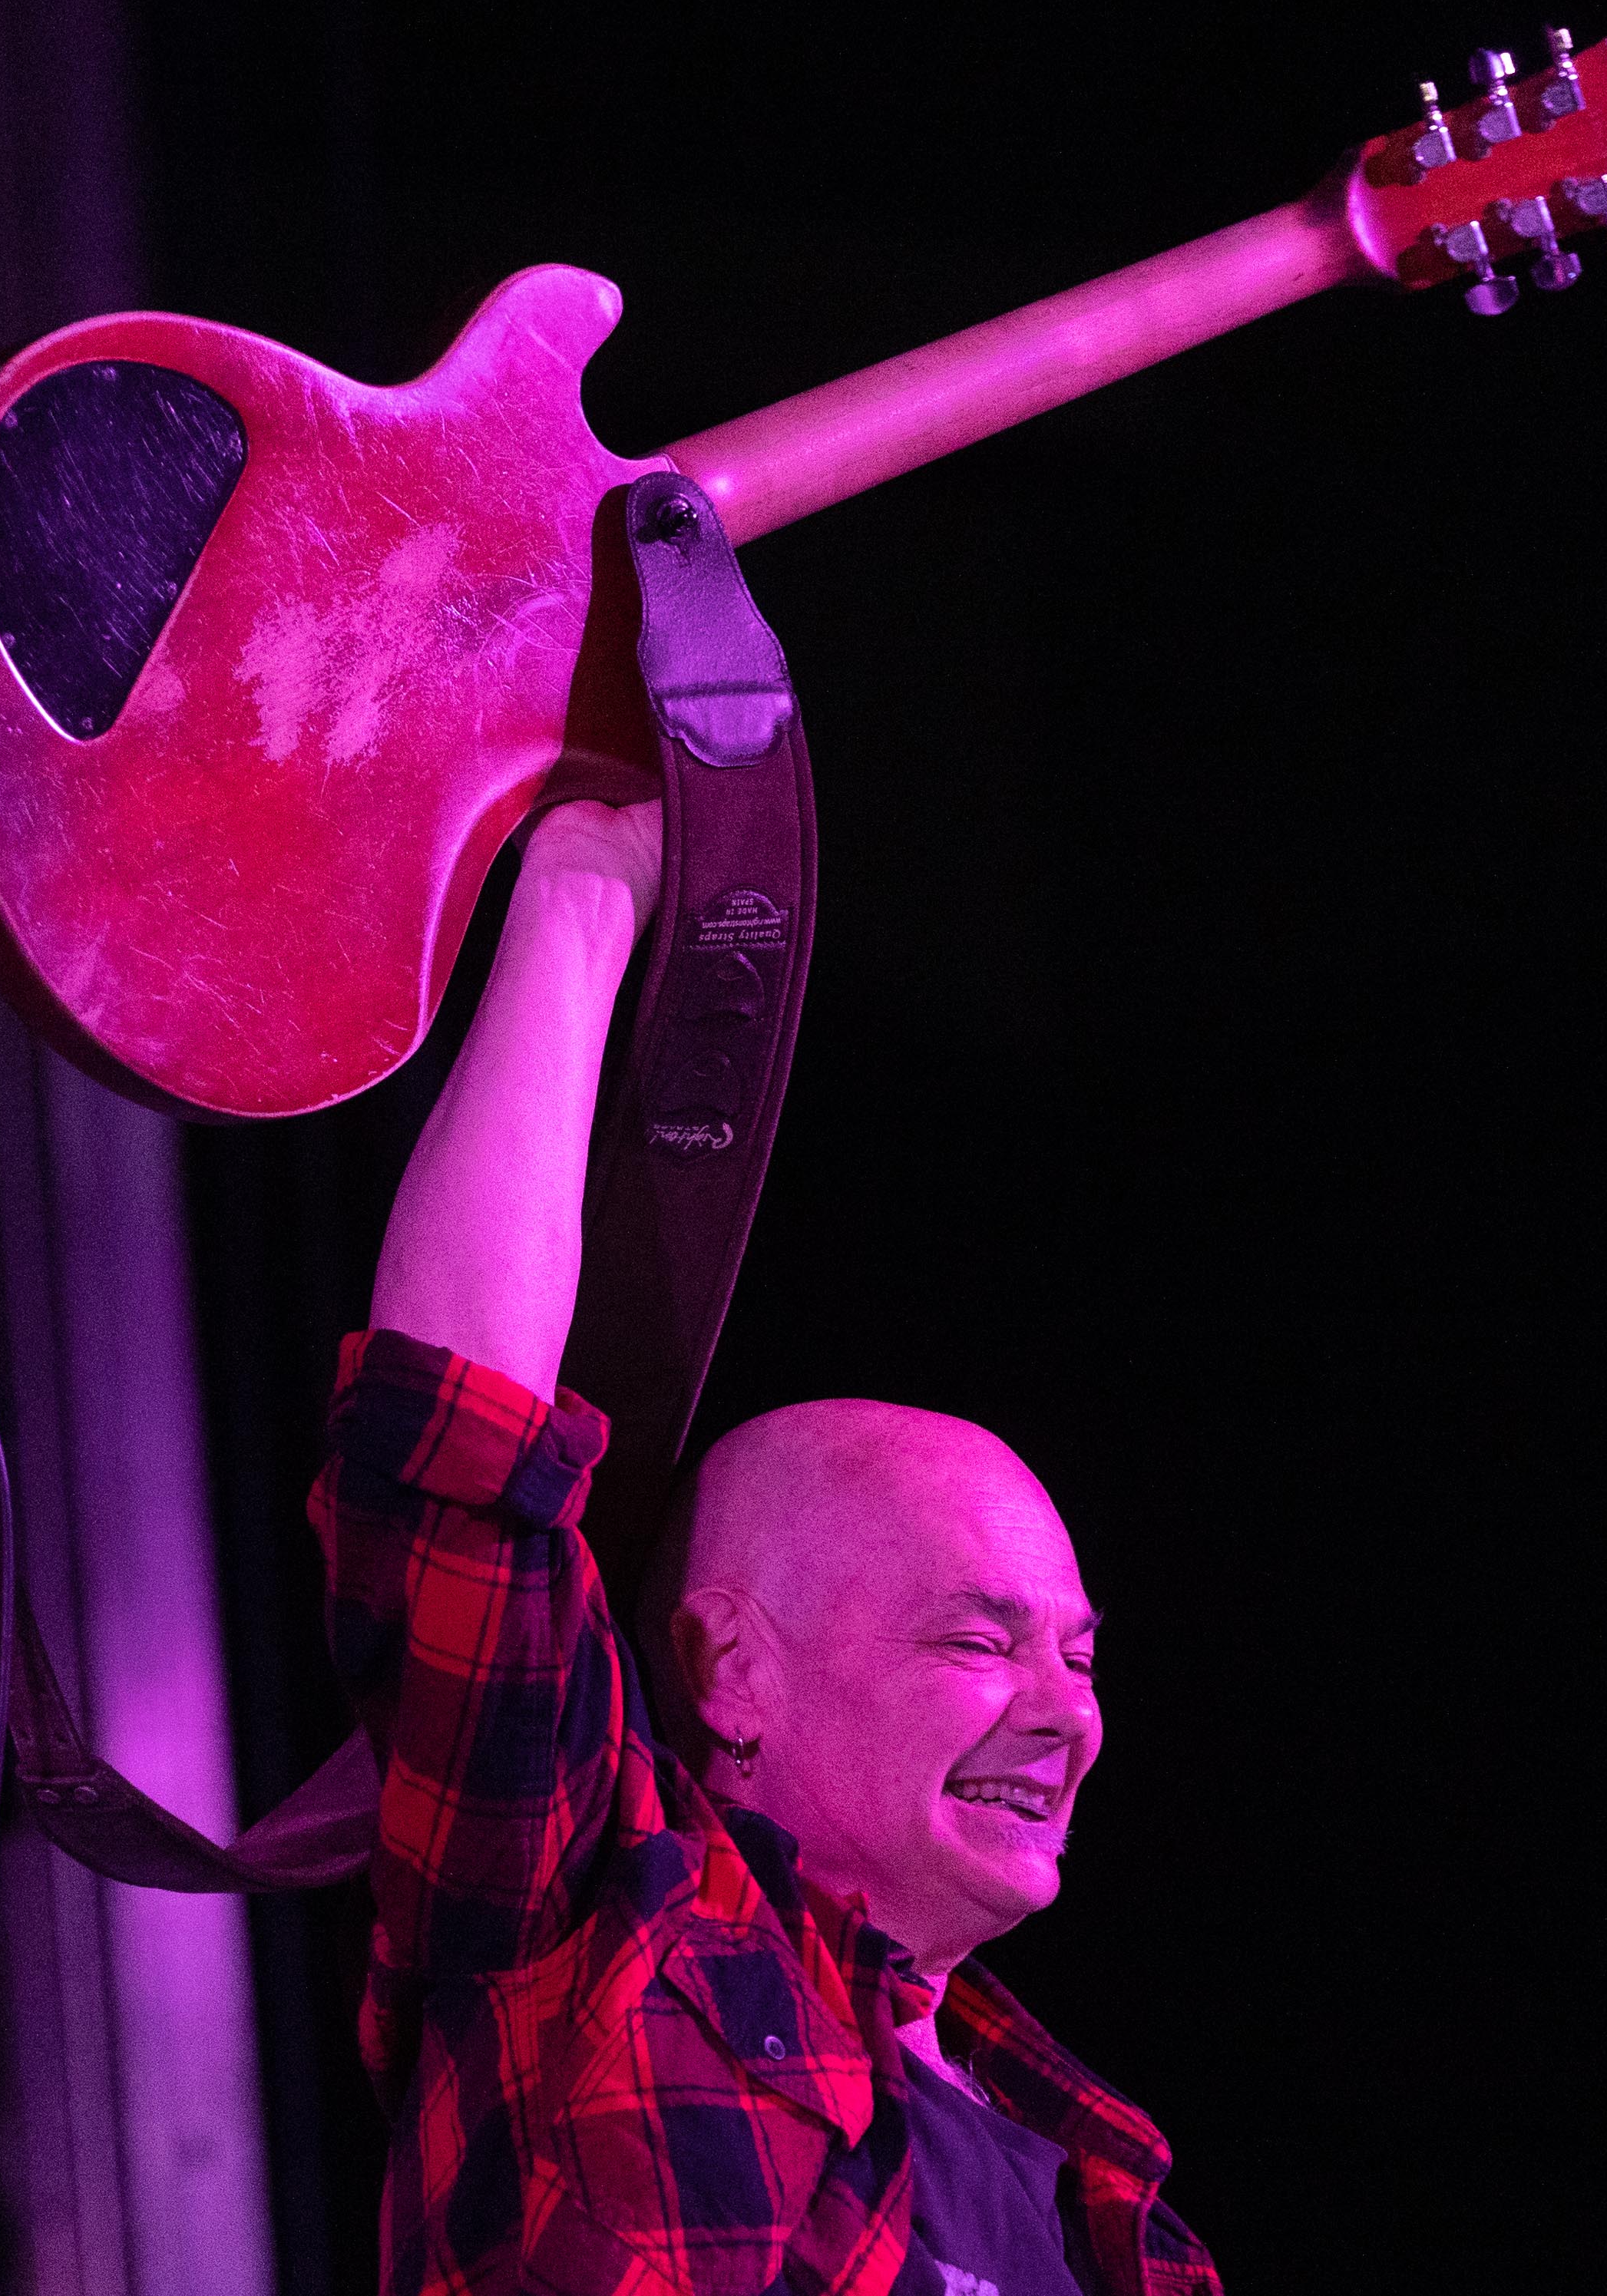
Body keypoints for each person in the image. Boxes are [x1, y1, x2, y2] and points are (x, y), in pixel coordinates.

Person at [314, 798, 1221, 2296]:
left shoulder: (1103, 2181)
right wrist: (586, 888)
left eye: (1077, 1653)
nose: (1067, 1714)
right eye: (979, 1640)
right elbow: (455, 1446)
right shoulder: (581, 1931)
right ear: (734, 1665)